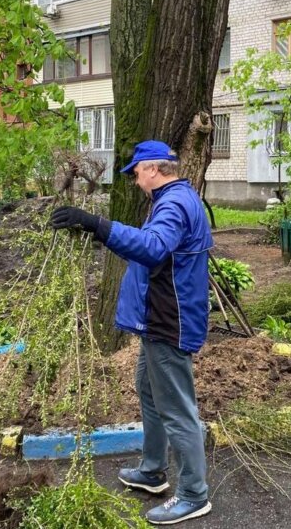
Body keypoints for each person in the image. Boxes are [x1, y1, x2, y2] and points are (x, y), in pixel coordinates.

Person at [51, 140, 213, 526]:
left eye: (137, 172)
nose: (135, 180)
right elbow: (152, 252)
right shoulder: (174, 198)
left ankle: (194, 493)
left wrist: (99, 225)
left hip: (168, 322)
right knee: (149, 392)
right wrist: (99, 233)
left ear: (153, 169)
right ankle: (154, 470)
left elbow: (154, 248)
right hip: (158, 318)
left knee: (176, 408)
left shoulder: (174, 203)